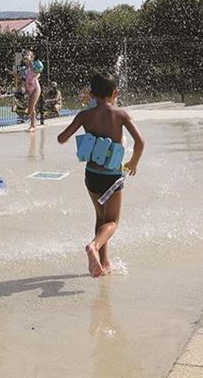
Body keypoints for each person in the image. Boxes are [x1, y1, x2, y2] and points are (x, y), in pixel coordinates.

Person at [57, 72, 145, 278]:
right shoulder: (121, 115)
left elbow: (62, 138)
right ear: (115, 93)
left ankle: (104, 263)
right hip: (112, 177)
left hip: (92, 175)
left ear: (91, 94)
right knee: (113, 222)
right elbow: (141, 142)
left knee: (100, 217)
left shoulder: (84, 115)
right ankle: (94, 247)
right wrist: (133, 162)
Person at [19, 50, 44, 132]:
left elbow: (38, 73)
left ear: (32, 57)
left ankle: (33, 125)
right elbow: (23, 79)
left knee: (30, 108)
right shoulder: (24, 69)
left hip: (36, 88)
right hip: (29, 89)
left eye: (27, 55)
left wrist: (30, 62)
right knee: (31, 108)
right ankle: (33, 125)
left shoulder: (34, 66)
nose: (25, 57)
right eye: (24, 56)